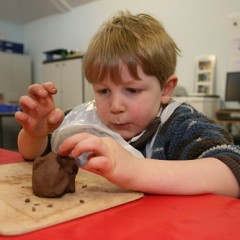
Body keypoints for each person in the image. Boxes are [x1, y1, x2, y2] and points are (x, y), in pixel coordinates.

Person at [15, 11, 240, 198]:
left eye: (131, 90)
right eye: (103, 91)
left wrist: (134, 169)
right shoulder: (85, 118)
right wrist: (35, 135)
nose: (115, 106)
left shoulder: (180, 125)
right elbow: (34, 155)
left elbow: (231, 173)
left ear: (165, 89)